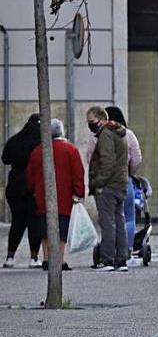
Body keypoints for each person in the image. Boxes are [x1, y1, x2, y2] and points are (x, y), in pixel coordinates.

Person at [26, 119, 85, 271]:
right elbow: (78, 173)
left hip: (42, 196)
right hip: (65, 197)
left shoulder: (38, 150)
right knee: (62, 229)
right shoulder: (70, 150)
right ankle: (59, 259)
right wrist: (78, 192)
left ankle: (46, 259)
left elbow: (30, 175)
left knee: (45, 229)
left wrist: (32, 189)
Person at [86, 106, 129, 272]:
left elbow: (107, 162)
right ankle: (122, 259)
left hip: (108, 186)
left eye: (91, 122)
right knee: (119, 221)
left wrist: (98, 182)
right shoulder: (119, 132)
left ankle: (108, 260)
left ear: (101, 119)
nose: (90, 125)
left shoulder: (105, 134)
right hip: (120, 183)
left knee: (108, 223)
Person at [3, 114, 42, 268]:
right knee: (35, 223)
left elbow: (5, 158)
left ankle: (10, 257)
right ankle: (34, 258)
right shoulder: (41, 143)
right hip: (33, 186)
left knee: (17, 222)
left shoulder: (15, 140)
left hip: (15, 186)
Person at [105, 107, 143, 265]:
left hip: (106, 181)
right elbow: (137, 159)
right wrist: (130, 172)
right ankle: (126, 251)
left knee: (108, 218)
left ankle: (109, 253)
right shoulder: (128, 134)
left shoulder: (98, 136)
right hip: (124, 179)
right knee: (128, 216)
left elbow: (90, 156)